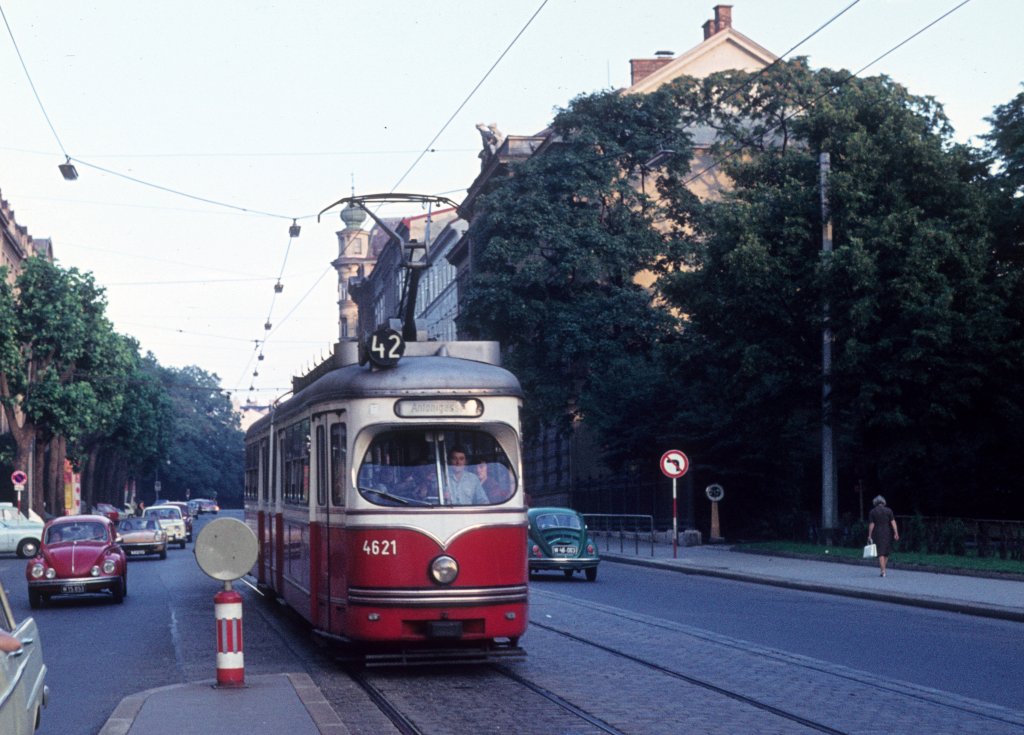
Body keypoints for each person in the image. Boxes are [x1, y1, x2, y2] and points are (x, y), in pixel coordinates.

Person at [867, 495, 899, 577]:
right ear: (883, 502)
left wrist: (869, 535)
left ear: (875, 502)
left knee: (880, 552)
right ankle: (883, 569)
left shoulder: (873, 512)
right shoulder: (889, 510)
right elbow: (893, 522)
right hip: (887, 532)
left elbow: (872, 524)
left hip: (877, 533)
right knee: (886, 552)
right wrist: (896, 533)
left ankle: (883, 570)